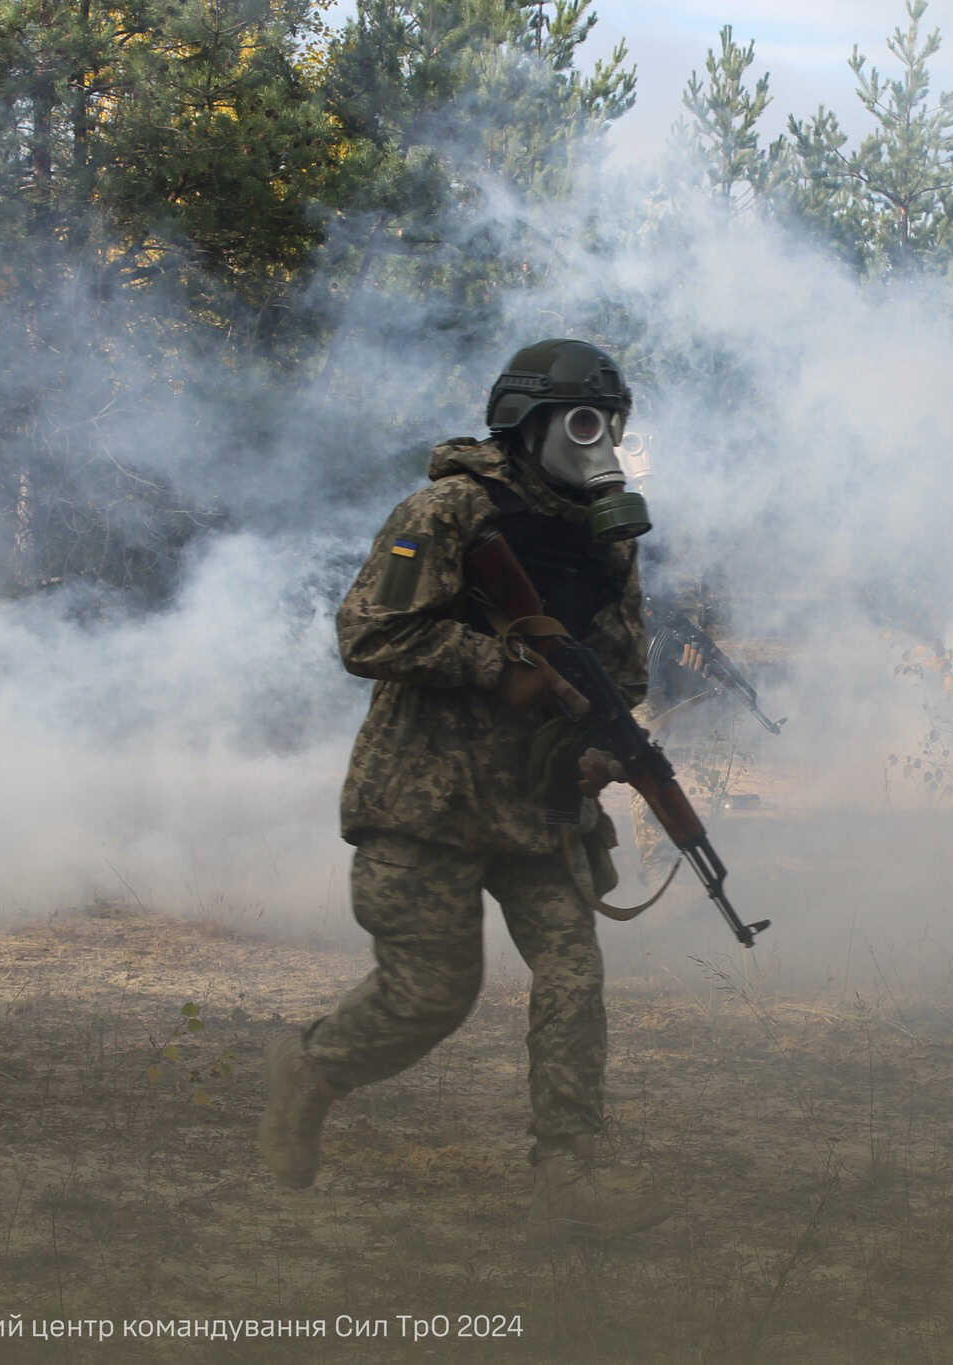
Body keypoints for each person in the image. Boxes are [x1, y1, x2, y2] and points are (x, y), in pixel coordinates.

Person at [258, 339, 670, 1243]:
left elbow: (624, 671)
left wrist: (602, 739)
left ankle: (569, 1174)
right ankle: (314, 1072)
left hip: (537, 805)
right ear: (529, 421)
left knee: (573, 975)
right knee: (433, 993)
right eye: (584, 419)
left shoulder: (606, 537)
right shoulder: (450, 509)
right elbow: (365, 633)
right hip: (425, 800)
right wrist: (496, 662)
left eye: (613, 420)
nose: (602, 440)